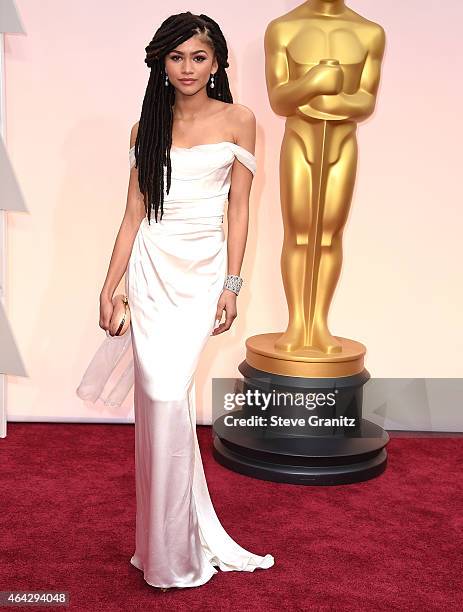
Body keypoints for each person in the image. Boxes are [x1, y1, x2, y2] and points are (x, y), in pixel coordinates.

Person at [76, 11, 274, 590]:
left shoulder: (240, 119)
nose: (188, 68)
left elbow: (239, 208)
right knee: (161, 402)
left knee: (169, 397)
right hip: (152, 270)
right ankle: (164, 547)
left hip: (203, 271)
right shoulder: (146, 129)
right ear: (161, 63)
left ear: (217, 63)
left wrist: (232, 284)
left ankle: (174, 544)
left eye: (199, 57)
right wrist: (109, 288)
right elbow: (134, 214)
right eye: (177, 57)